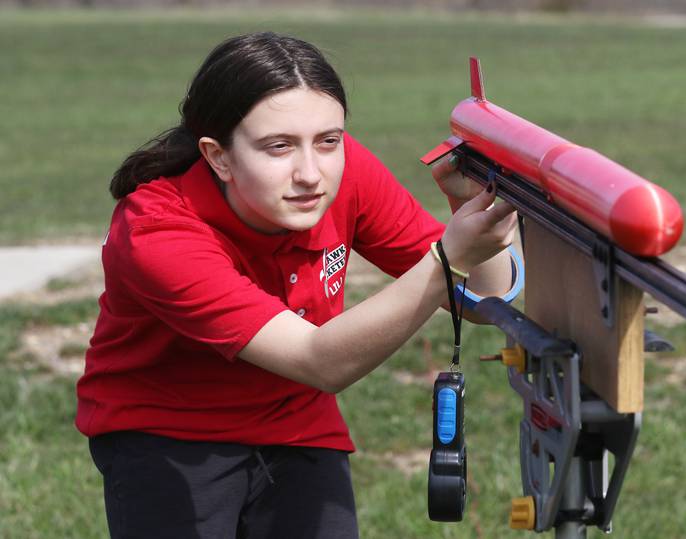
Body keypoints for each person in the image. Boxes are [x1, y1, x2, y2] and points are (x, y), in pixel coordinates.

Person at [76, 31, 519, 539]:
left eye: (328, 140)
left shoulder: (343, 172)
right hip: (167, 431)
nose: (310, 173)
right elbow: (321, 362)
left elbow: (485, 300)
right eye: (278, 146)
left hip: (297, 422)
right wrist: (448, 259)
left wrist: (475, 214)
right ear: (217, 156)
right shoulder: (157, 230)